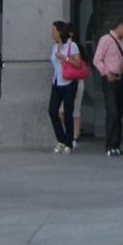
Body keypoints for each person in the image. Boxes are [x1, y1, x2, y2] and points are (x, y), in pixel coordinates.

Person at [92, 17, 123, 156]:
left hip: (121, 78)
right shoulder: (106, 40)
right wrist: (106, 72)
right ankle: (109, 145)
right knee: (112, 111)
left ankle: (116, 144)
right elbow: (97, 59)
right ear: (119, 27)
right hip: (110, 78)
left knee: (119, 112)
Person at [48, 20, 81, 153]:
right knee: (52, 110)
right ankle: (61, 139)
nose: (52, 33)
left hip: (69, 83)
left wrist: (64, 57)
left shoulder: (72, 46)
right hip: (57, 82)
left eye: (54, 31)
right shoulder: (54, 46)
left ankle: (69, 142)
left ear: (60, 32)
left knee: (68, 113)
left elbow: (78, 63)